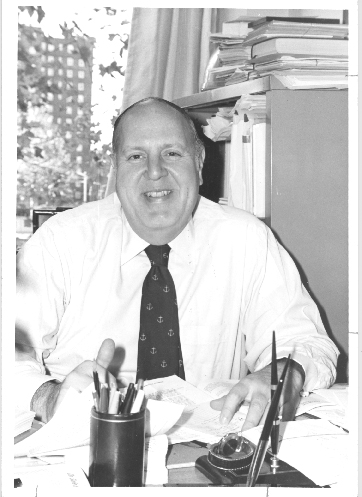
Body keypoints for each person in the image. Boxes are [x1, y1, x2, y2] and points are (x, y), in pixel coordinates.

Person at [16, 97, 339, 429]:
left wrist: (279, 373)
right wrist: (50, 398)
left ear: (199, 163)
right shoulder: (61, 242)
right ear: (115, 167)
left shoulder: (245, 239)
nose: (155, 171)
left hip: (208, 446)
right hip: (80, 441)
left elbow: (307, 343)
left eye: (172, 153)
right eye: (136, 156)